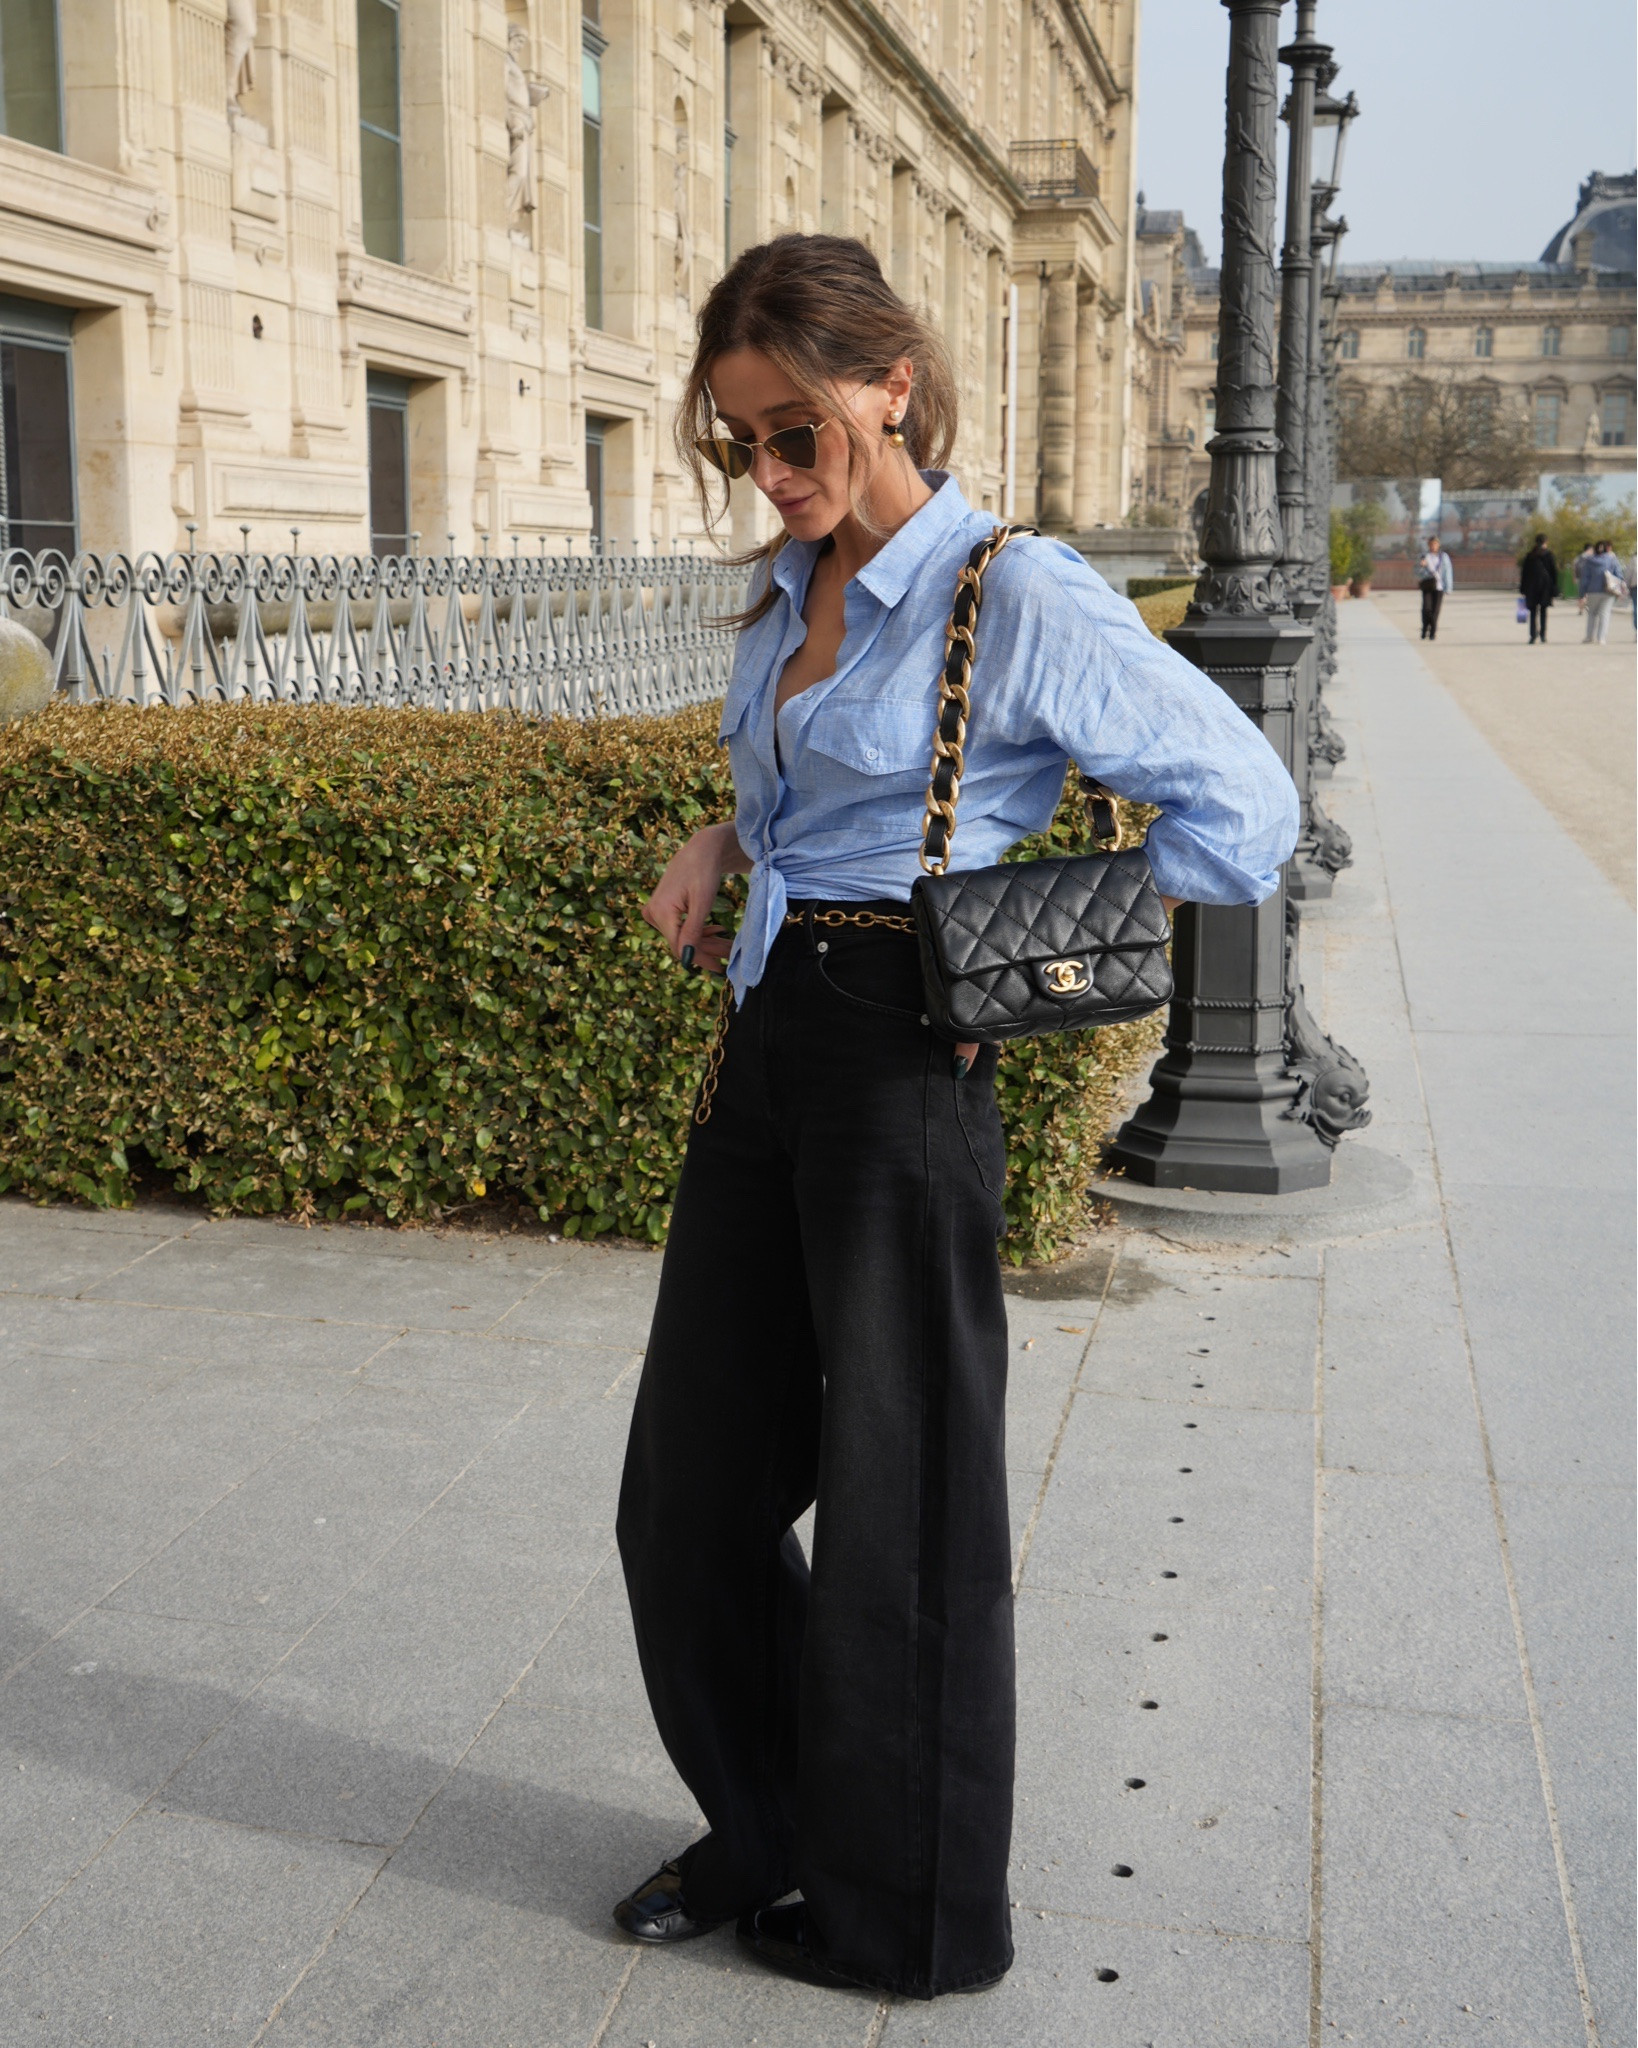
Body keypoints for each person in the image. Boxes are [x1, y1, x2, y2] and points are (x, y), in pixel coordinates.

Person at [611, 234, 1298, 2001]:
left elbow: (1243, 809)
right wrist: (722, 835)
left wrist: (1026, 928)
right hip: (766, 1038)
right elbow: (801, 789)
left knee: (900, 1513)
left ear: (890, 384)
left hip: (909, 1058)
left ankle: (907, 1916)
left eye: (793, 430)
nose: (767, 472)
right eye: (738, 441)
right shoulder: (789, 586)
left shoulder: (1015, 589)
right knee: (684, 1499)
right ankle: (764, 1823)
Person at [1577, 536, 1626, 644]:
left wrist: (1581, 594)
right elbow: (1619, 575)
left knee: (1591, 614)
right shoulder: (1612, 560)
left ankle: (1589, 637)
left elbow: (1584, 578)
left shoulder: (1588, 561)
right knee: (1605, 614)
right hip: (1608, 591)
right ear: (1606, 549)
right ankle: (1601, 638)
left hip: (1592, 591)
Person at [1518, 533, 1558, 645]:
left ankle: (1532, 636)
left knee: (1533, 612)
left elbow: (1524, 573)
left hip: (1531, 588)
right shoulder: (1549, 555)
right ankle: (1543, 636)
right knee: (1543, 612)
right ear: (1546, 542)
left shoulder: (1530, 555)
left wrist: (1523, 588)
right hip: (1545, 587)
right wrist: (1554, 589)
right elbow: (1554, 573)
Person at [1417, 534, 1454, 639]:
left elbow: (1448, 572)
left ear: (1438, 545)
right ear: (1428, 545)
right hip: (1427, 585)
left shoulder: (1444, 556)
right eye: (1431, 544)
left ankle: (1432, 632)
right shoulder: (1424, 556)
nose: (1433, 546)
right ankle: (1425, 628)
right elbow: (1416, 572)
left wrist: (1448, 587)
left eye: (1435, 544)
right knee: (1426, 609)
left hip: (1439, 587)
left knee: (1435, 611)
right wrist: (1421, 566)